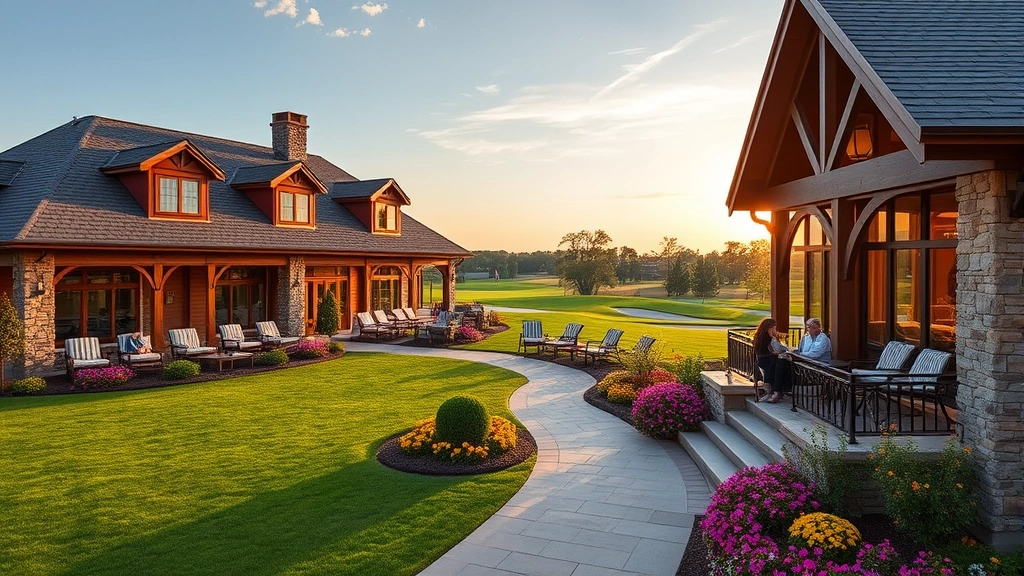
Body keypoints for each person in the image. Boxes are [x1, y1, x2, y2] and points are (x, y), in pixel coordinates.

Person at [752, 318, 787, 402]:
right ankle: (777, 391)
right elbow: (777, 349)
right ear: (770, 328)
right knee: (782, 365)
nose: (775, 330)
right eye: (775, 328)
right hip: (768, 362)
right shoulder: (770, 339)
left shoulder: (758, 337)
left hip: (761, 361)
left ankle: (775, 392)